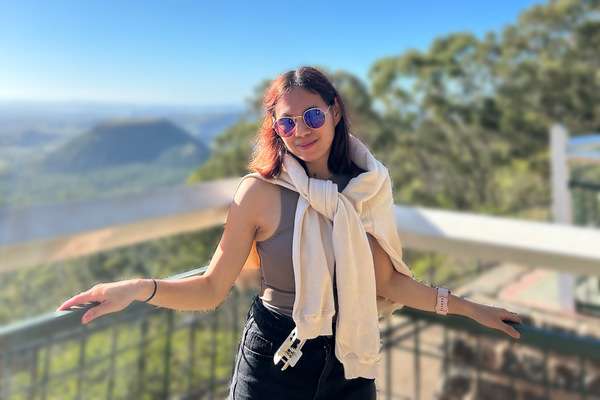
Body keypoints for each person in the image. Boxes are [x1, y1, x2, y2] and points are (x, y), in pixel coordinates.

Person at [56, 66, 523, 400]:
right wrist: (139, 289)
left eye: (313, 116)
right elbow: (212, 288)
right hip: (275, 359)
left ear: (335, 112)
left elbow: (388, 282)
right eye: (287, 122)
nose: (301, 130)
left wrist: (470, 309)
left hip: (349, 362)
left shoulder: (365, 189)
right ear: (276, 130)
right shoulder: (258, 193)